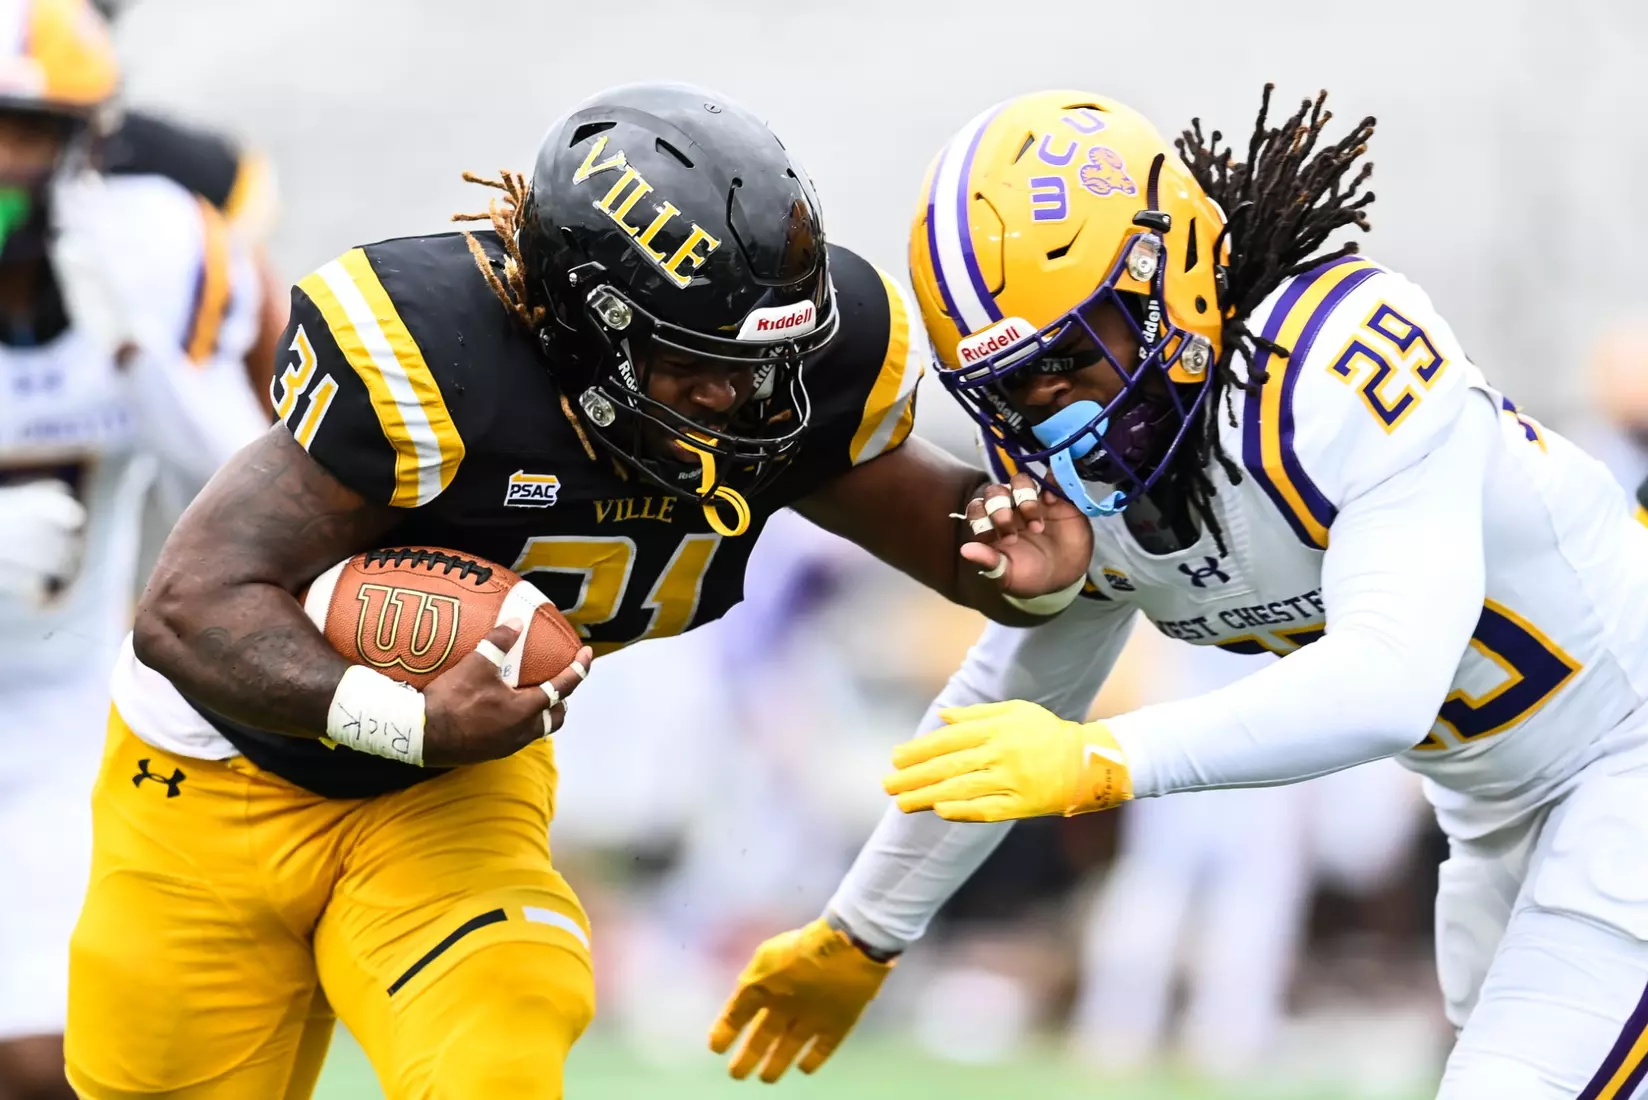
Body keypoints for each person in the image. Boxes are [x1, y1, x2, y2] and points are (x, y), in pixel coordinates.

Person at [64, 82, 1094, 1099]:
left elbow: (965, 553)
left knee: (501, 1042)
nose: (739, 395)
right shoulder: (443, 358)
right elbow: (190, 606)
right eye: (694, 360)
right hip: (216, 774)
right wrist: (407, 718)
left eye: (763, 360)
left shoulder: (783, 386)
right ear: (584, 323)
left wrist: (1026, 566)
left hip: (447, 788)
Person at [713, 87, 1648, 1099]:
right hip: (1499, 813)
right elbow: (1001, 709)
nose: (1052, 411)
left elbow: (1388, 680)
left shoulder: (1329, 362)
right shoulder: (1099, 483)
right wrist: (864, 930)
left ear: (1174, 279)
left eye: (1072, 356)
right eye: (1011, 387)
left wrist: (1103, 760)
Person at [0, 1, 270, 1096]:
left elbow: (276, 474)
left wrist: (147, 360)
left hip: (62, 716)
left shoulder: (155, 251)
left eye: (22, 129)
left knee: (62, 1057)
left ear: (85, 142)